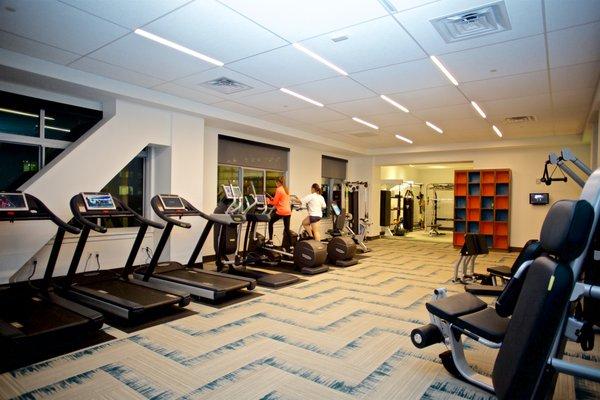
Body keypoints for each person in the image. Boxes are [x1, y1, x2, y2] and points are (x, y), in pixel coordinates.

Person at [266, 176, 292, 246]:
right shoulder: (286, 189)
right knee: (287, 229)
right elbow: (281, 200)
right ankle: (292, 247)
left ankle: (270, 241)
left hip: (281, 211)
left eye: (276, 183)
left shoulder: (279, 189)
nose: (276, 184)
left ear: (278, 182)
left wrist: (268, 201)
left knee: (270, 222)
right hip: (288, 211)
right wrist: (273, 199)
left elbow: (274, 203)